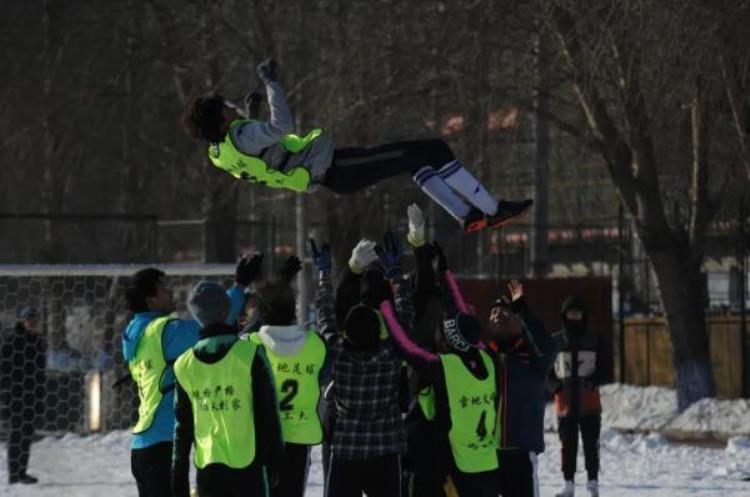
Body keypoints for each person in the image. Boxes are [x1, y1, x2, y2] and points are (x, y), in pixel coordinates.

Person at [180, 58, 533, 233]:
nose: (230, 106)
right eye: (226, 106)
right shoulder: (241, 134)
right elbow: (280, 127)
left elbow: (260, 152)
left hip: (333, 171)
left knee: (417, 161)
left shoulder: (219, 153)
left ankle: (468, 215)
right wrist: (272, 84)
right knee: (434, 149)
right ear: (222, 119)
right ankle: (491, 209)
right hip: (336, 169)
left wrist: (251, 110)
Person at [122, 257, 255, 497]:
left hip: (143, 446)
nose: (170, 291)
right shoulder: (163, 331)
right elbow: (213, 320)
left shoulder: (135, 333)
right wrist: (239, 287)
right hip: (162, 446)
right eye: (163, 289)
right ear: (151, 299)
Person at [378, 240, 501, 497]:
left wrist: (385, 303)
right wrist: (445, 274)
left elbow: (405, 346)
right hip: (487, 462)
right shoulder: (487, 357)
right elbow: (461, 315)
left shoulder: (444, 367)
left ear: (447, 341)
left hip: (456, 465)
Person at [172, 281, 283, 497]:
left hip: (208, 468)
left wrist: (179, 481)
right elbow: (269, 415)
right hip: (249, 466)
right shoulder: (250, 354)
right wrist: (276, 464)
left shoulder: (183, 365)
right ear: (227, 309)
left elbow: (181, 430)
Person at [313, 242, 407, 497]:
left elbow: (325, 313)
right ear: (379, 332)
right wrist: (395, 272)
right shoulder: (391, 354)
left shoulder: (339, 353)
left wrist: (324, 273)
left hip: (346, 450)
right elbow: (404, 317)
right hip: (385, 449)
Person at [247, 256, 329, 497]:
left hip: (262, 437)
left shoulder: (250, 346)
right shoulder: (315, 345)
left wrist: (278, 284)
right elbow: (325, 371)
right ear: (293, 310)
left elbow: (249, 328)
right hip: (299, 437)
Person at [487, 281, 556, 497]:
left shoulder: (532, 357)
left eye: (505, 311)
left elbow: (547, 348)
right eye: (493, 312)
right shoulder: (484, 357)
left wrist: (523, 310)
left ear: (518, 319)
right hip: (486, 452)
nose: (498, 315)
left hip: (520, 452)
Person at [549, 296, 608, 497]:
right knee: (567, 444)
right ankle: (568, 483)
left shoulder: (594, 339)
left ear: (584, 315)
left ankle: (593, 482)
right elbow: (546, 369)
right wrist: (554, 387)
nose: (574, 316)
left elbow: (606, 367)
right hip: (564, 403)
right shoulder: (555, 341)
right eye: (570, 313)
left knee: (591, 444)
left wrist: (596, 379)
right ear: (564, 315)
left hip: (589, 401)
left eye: (578, 312)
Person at [0, 307, 46, 484]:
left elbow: (41, 372)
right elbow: (3, 367)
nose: (33, 322)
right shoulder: (13, 341)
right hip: (16, 394)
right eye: (29, 319)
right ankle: (13, 473)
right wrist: (7, 391)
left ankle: (22, 472)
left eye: (35, 319)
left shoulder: (38, 341)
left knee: (27, 434)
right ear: (23, 320)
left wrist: (40, 396)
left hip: (32, 395)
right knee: (16, 433)